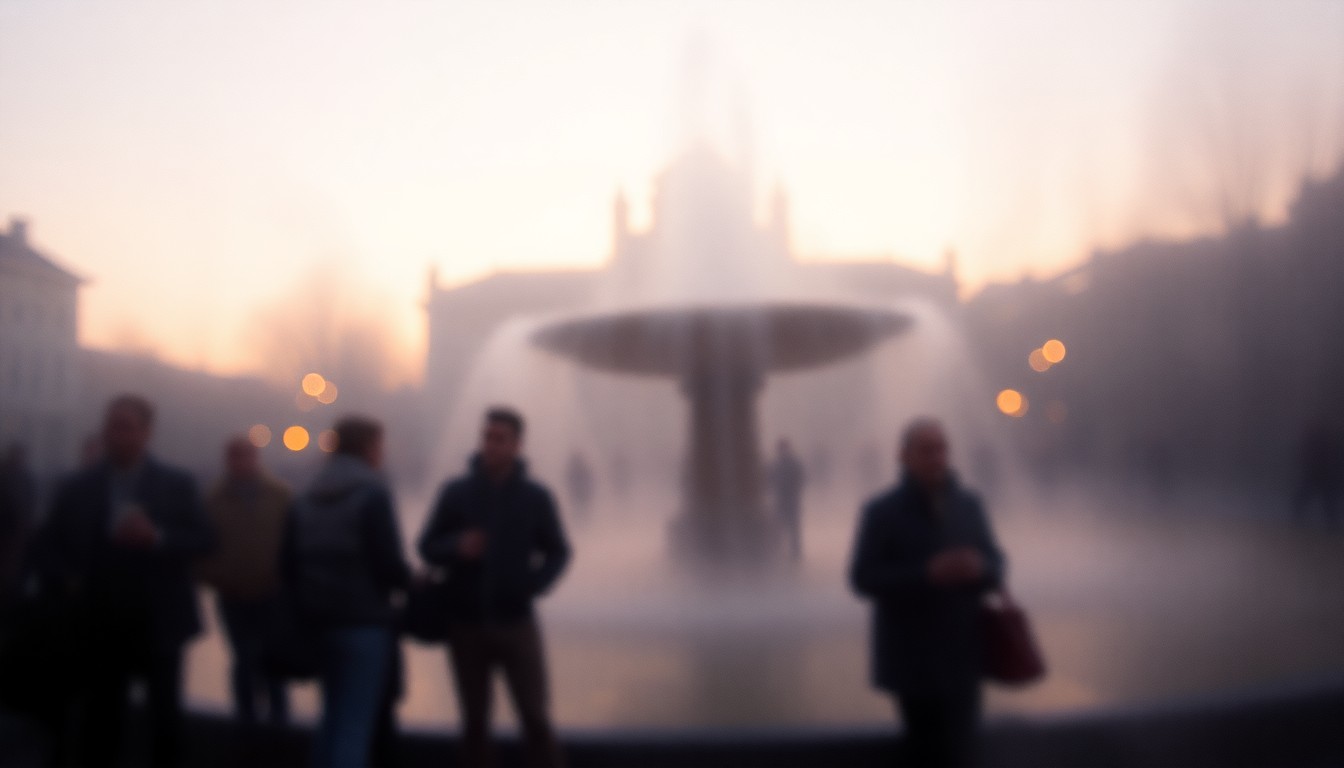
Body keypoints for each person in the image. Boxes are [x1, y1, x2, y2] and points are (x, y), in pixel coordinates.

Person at [35, 394, 216, 768]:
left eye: (126, 428)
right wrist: (67, 581)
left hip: (159, 622)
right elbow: (46, 546)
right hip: (98, 623)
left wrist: (158, 537)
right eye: (111, 426)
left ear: (146, 434)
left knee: (164, 722)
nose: (116, 436)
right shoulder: (78, 486)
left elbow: (206, 540)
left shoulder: (176, 484)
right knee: (100, 723)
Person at [419, 407, 571, 768]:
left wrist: (534, 584)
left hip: (516, 622)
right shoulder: (456, 492)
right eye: (486, 437)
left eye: (499, 439)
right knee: (473, 722)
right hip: (465, 623)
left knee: (534, 715)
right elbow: (426, 545)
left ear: (517, 445)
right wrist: (456, 546)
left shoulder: (535, 497)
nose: (490, 445)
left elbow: (559, 550)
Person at [848, 418, 1005, 768]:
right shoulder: (881, 511)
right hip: (912, 663)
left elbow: (996, 562)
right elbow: (862, 578)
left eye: (942, 449)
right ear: (904, 456)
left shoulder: (969, 504)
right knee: (926, 751)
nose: (938, 458)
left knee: (964, 750)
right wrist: (925, 575)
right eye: (927, 450)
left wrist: (982, 568)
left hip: (964, 657)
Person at [284, 416, 412, 768]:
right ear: (369, 448)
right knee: (355, 727)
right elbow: (386, 562)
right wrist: (412, 582)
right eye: (379, 446)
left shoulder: (307, 494)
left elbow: (288, 563)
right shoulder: (372, 493)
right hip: (363, 624)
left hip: (317, 622)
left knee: (331, 719)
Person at [195, 436, 293, 726]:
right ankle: (246, 722)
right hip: (232, 595)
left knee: (274, 660)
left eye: (246, 456)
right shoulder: (212, 500)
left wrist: (285, 579)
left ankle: (279, 722)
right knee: (243, 660)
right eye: (234, 456)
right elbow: (201, 549)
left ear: (256, 458)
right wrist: (216, 579)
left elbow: (294, 542)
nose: (240, 462)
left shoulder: (281, 496)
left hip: (272, 593)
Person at [767, 438, 806, 560]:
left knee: (790, 524)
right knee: (785, 524)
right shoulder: (778, 464)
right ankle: (788, 548)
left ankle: (793, 549)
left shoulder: (785, 464)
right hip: (784, 498)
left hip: (788, 498)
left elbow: (801, 479)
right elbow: (770, 479)